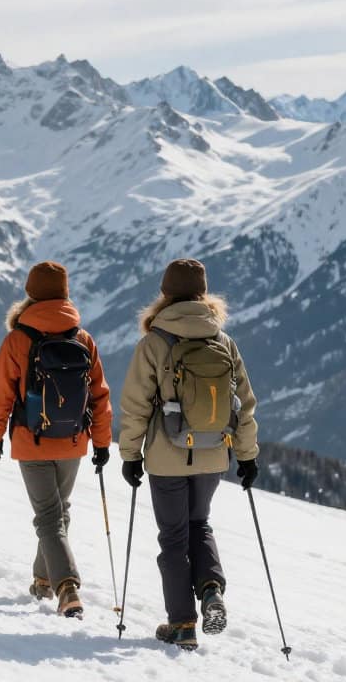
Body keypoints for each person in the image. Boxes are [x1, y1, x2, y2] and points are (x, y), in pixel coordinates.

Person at [118, 259, 260, 651]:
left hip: (166, 457)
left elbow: (136, 406)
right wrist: (247, 455)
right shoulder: (223, 341)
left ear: (164, 294)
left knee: (173, 537)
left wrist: (130, 455)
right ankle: (211, 587)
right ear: (203, 294)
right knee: (200, 524)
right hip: (214, 453)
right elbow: (244, 405)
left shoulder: (154, 342)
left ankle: (182, 623)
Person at [0, 262, 113, 618]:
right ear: (65, 292)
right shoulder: (82, 339)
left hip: (32, 440)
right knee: (58, 512)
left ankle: (66, 587)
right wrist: (102, 442)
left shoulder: (18, 339)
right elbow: (99, 396)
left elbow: (0, 394)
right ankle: (43, 580)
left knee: (49, 515)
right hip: (73, 440)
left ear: (31, 293)